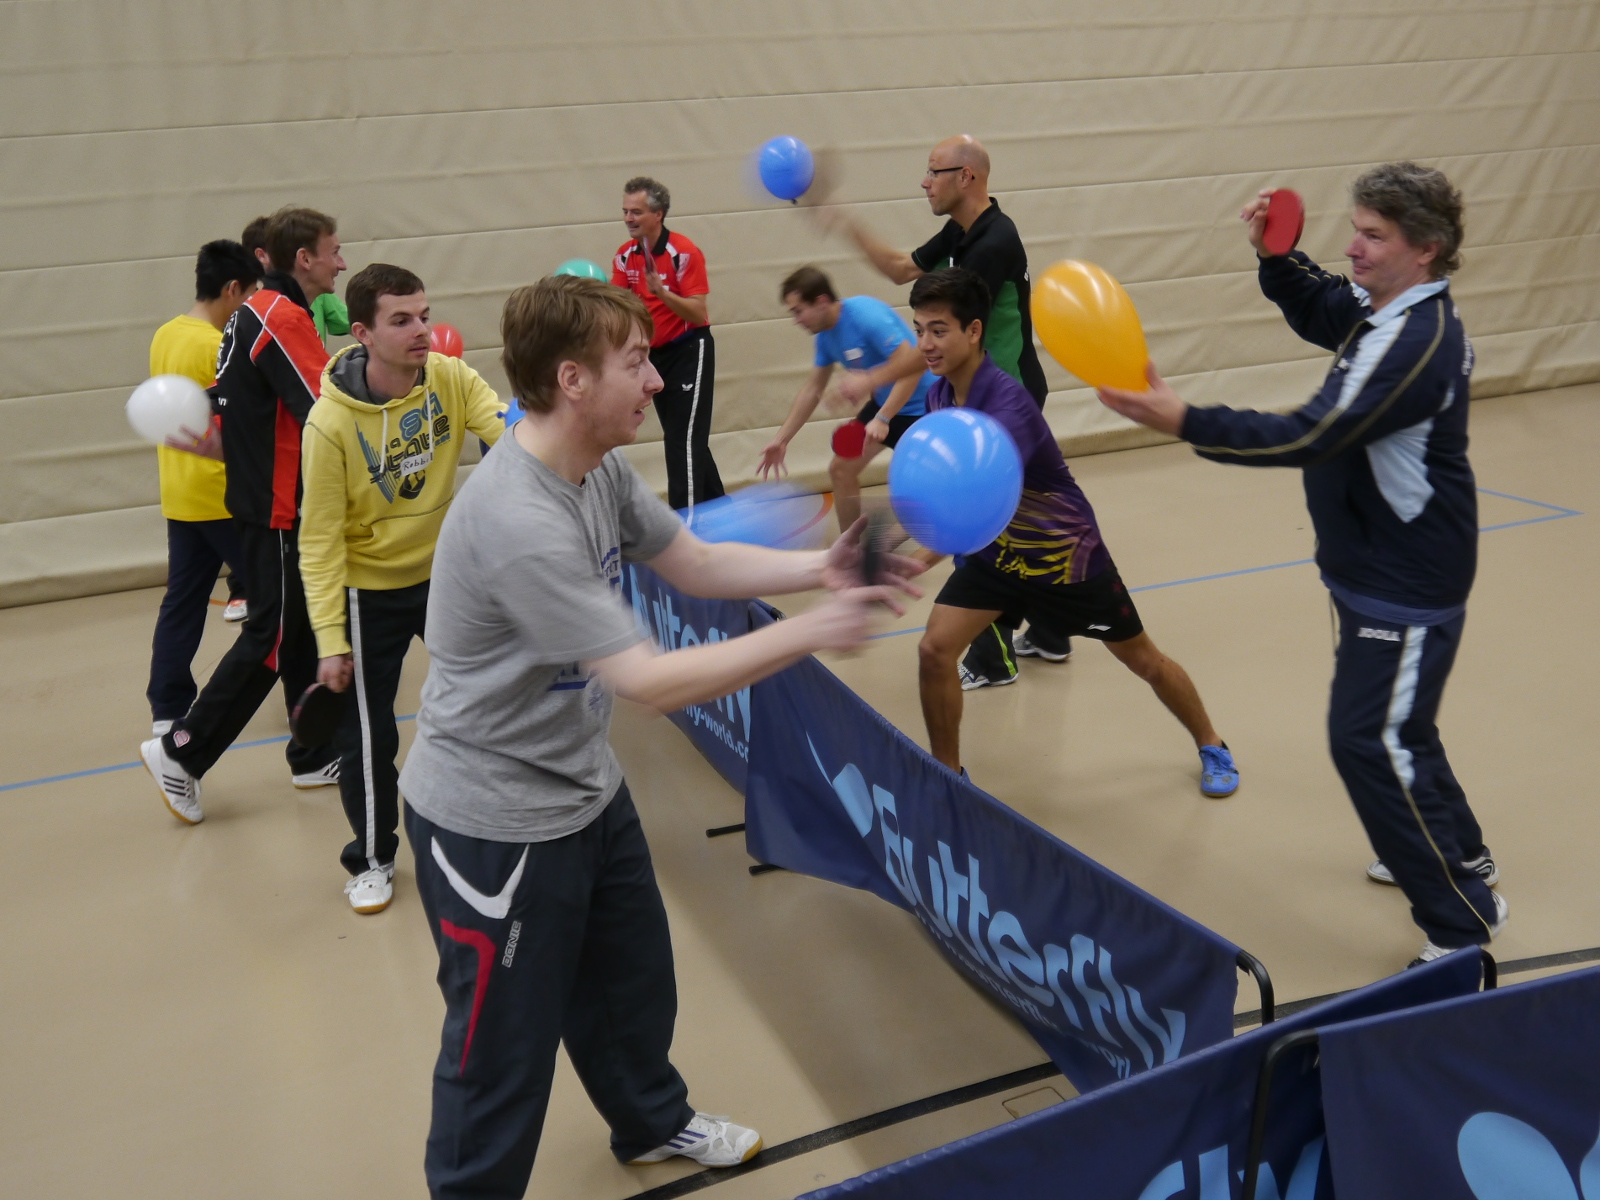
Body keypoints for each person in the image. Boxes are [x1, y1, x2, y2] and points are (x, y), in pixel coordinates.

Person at [397, 274, 918, 1198]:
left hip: (580, 784)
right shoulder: (519, 518)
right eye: (635, 362)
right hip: (494, 825)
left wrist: (822, 571)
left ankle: (648, 1121)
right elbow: (645, 682)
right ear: (572, 380)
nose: (659, 381)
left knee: (631, 984)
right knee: (500, 1050)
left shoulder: (594, 467)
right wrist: (809, 633)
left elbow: (697, 559)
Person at [1096, 162, 1505, 967]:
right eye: (1354, 228)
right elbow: (1325, 306)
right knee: (1399, 728)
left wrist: (1186, 419)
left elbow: (1311, 433)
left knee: (1366, 738)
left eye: (1373, 236)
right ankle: (1464, 855)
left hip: (1407, 581)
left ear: (1425, 250)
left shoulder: (1415, 345)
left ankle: (1461, 920)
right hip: (1370, 567)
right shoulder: (1387, 308)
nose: (1351, 247)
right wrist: (1276, 258)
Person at [909, 269, 1238, 797]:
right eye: (920, 329)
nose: (925, 343)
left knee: (1145, 661)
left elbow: (978, 500)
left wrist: (917, 554)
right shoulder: (941, 397)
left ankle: (1212, 743)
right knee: (933, 651)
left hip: (1065, 561)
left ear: (973, 331)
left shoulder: (1007, 406)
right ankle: (947, 774)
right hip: (998, 559)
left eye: (938, 330)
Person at [299, 264, 506, 914]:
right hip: (368, 592)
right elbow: (319, 541)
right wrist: (330, 640)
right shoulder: (329, 426)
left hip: (446, 575)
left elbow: (514, 442)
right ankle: (373, 858)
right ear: (362, 332)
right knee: (368, 735)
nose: (422, 331)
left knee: (486, 708)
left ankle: (492, 831)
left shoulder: (449, 377)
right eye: (402, 320)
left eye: (424, 315)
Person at [821, 135, 1068, 680]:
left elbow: (944, 340)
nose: (925, 181)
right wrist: (840, 219)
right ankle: (1051, 631)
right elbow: (898, 268)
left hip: (1009, 395)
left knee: (988, 521)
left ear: (969, 177)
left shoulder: (993, 242)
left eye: (935, 172)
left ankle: (992, 658)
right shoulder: (962, 230)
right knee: (1025, 517)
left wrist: (873, 377)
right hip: (981, 392)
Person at [140, 206, 347, 823]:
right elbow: (323, 407)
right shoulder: (279, 316)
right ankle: (182, 750)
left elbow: (230, 396)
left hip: (265, 501)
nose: (342, 261)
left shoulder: (254, 314)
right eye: (334, 250)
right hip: (279, 507)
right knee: (273, 636)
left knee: (302, 628)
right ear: (304, 259)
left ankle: (311, 755)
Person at [146, 240, 263, 736]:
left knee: (183, 603)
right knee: (284, 599)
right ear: (231, 289)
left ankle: (167, 708)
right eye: (251, 295)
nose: (253, 307)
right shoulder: (217, 345)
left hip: (180, 495)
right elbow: (235, 421)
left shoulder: (164, 335)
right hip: (225, 495)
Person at [757, 265, 932, 532]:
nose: (796, 320)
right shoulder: (825, 337)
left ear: (821, 302)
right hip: (885, 409)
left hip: (925, 408)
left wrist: (883, 417)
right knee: (841, 469)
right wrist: (781, 440)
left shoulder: (866, 315)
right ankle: (850, 550)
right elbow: (813, 389)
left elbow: (913, 368)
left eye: (798, 311)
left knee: (929, 488)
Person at [611, 176, 725, 511]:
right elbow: (619, 305)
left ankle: (685, 527)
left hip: (689, 350)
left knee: (682, 443)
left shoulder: (683, 252)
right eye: (625, 211)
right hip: (653, 356)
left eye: (637, 211)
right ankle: (721, 511)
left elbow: (698, 309)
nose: (629, 218)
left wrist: (661, 292)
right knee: (689, 442)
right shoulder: (624, 256)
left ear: (658, 214)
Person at [246, 212, 348, 342]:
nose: (343, 265)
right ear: (304, 259)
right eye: (334, 253)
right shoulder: (282, 318)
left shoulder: (269, 310)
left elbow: (358, 325)